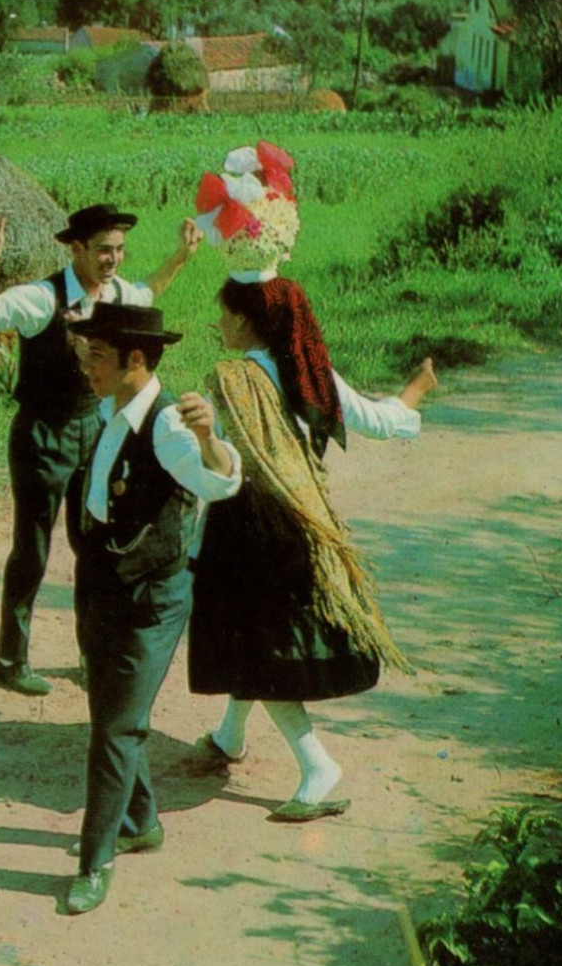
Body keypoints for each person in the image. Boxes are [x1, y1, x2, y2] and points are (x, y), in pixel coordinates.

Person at [184, 139, 439, 821]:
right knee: (255, 640)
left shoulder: (230, 379)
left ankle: (317, 767)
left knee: (262, 653)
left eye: (223, 315)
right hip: (291, 522)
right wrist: (412, 394)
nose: (217, 324)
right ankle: (229, 736)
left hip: (255, 531)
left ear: (244, 317)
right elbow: (371, 418)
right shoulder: (303, 367)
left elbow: (210, 461)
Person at [0, 205, 203, 695]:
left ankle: (92, 655)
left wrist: (179, 257)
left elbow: (147, 292)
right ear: (76, 250)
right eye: (103, 251)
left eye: (118, 250)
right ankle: (11, 659)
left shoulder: (117, 295)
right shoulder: (39, 298)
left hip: (95, 432)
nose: (112, 259)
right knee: (31, 550)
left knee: (94, 546)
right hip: (43, 436)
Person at [57, 302, 241, 915]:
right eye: (86, 353)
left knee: (116, 727)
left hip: (150, 599)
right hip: (102, 584)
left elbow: (218, 481)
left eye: (98, 356)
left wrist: (211, 438)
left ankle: (95, 862)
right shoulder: (111, 410)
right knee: (108, 710)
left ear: (136, 359)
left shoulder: (167, 425)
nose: (87, 366)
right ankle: (141, 822)